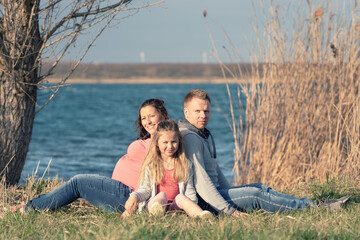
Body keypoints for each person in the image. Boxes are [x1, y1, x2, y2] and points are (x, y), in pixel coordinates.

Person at [178, 89, 350, 216]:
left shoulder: (200, 134)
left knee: (258, 187)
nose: (203, 115)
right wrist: (230, 210)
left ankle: (307, 204)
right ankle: (315, 208)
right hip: (207, 205)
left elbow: (214, 172)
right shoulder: (191, 138)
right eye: (197, 111)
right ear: (186, 112)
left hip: (216, 197)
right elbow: (202, 183)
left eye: (206, 111)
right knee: (255, 194)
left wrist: (234, 194)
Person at [14, 98, 169, 213]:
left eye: (152, 116)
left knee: (78, 182)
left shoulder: (165, 141)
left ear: (163, 115)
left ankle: (29, 209)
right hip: (119, 192)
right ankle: (35, 204)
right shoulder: (151, 138)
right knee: (76, 184)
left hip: (130, 195)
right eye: (143, 118)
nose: (147, 121)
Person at [122, 120, 213, 219]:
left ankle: (202, 216)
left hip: (175, 207)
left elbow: (189, 192)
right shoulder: (152, 165)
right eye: (165, 142)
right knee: (162, 195)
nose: (170, 146)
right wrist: (134, 197)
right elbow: (145, 190)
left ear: (179, 141)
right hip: (155, 204)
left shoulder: (185, 164)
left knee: (181, 197)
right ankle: (157, 214)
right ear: (157, 143)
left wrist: (189, 208)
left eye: (173, 142)